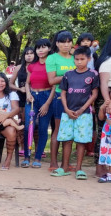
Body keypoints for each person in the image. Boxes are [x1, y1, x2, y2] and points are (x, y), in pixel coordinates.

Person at [51, 46, 99, 179]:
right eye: (76, 59)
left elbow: (94, 94)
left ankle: (79, 169)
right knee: (66, 140)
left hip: (84, 114)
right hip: (68, 113)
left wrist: (82, 109)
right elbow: (63, 93)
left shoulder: (93, 74)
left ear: (88, 59)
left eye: (82, 59)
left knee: (81, 141)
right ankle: (64, 167)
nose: (79, 62)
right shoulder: (68, 74)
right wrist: (66, 109)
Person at [23, 38, 55, 168]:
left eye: (44, 47)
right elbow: (27, 83)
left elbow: (54, 86)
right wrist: (28, 94)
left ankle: (37, 158)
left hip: (47, 97)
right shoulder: (32, 65)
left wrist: (47, 103)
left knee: (42, 129)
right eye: (38, 48)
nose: (40, 50)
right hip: (32, 98)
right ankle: (26, 157)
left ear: (49, 49)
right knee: (27, 127)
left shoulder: (52, 64)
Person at [46, 31, 75, 171]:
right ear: (57, 43)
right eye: (63, 41)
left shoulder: (75, 58)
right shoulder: (52, 59)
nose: (66, 44)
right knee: (57, 130)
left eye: (69, 41)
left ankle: (66, 163)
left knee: (69, 131)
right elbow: (51, 80)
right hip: (58, 97)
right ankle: (53, 163)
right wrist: (69, 74)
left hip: (75, 99)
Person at [10, 47, 34, 156]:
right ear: (23, 56)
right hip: (21, 97)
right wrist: (19, 89)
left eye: (31, 53)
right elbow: (10, 83)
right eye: (26, 54)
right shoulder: (18, 68)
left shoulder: (39, 67)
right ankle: (23, 147)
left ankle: (37, 148)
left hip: (35, 96)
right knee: (22, 122)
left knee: (35, 123)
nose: (29, 56)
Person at [96, 34, 111, 180]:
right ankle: (101, 168)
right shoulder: (107, 63)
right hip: (107, 100)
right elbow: (104, 85)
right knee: (104, 136)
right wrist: (108, 102)